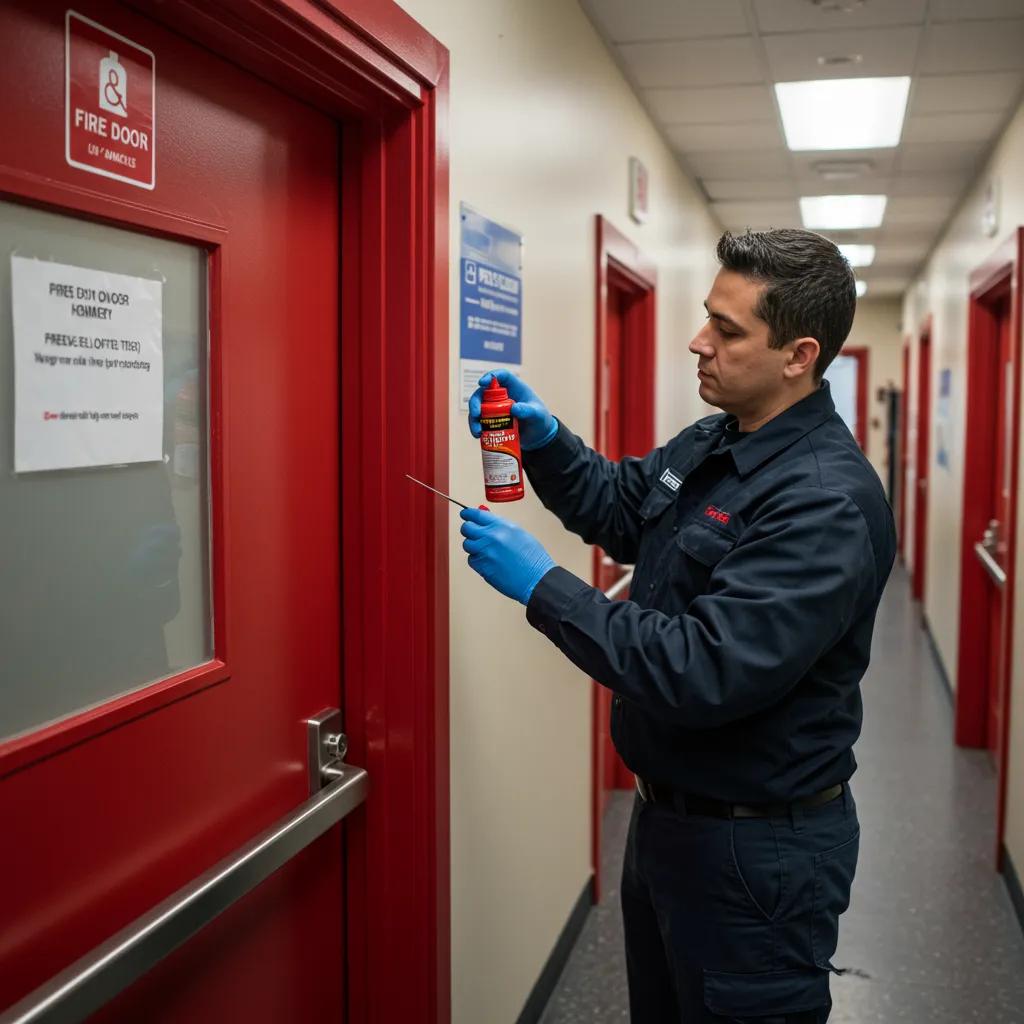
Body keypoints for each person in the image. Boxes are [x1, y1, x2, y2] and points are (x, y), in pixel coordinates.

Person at [460, 228, 897, 1023]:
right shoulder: (723, 435)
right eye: (708, 317)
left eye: (727, 331)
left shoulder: (824, 500)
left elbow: (702, 669)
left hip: (756, 855)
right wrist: (549, 444)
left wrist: (544, 588)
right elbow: (629, 507)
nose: (700, 342)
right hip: (668, 823)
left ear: (800, 355)